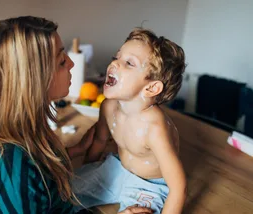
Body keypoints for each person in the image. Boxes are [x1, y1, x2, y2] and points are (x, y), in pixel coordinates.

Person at [0, 16, 154, 214]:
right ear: (33, 79)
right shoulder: (11, 162)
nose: (71, 63)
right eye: (61, 61)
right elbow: (27, 175)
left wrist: (75, 150)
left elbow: (38, 175)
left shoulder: (22, 131)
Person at [71, 28, 187, 214]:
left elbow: (178, 186)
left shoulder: (154, 127)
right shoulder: (108, 107)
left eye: (129, 63)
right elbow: (99, 141)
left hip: (149, 186)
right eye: (116, 57)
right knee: (63, 191)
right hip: (117, 169)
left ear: (151, 88)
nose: (114, 64)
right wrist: (88, 173)